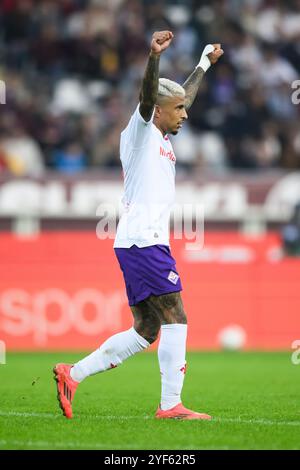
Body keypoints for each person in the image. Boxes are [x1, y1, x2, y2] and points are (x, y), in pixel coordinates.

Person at [54, 31, 223, 420]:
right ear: (159, 112)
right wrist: (153, 57)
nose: (185, 113)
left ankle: (72, 375)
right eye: (178, 109)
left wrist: (202, 63)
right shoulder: (141, 131)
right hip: (144, 242)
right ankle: (171, 405)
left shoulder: (163, 133)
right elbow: (150, 98)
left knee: (146, 329)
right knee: (176, 317)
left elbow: (177, 97)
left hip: (139, 242)